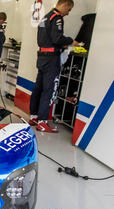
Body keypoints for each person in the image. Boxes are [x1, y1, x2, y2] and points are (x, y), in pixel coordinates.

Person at [29, 0, 80, 133]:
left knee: (38, 88)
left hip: (41, 56)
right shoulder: (57, 18)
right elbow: (57, 38)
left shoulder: (45, 17)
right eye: (68, 10)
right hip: (51, 59)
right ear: (64, 5)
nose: (68, 14)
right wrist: (71, 42)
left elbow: (45, 38)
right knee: (49, 90)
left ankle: (34, 117)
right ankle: (42, 122)